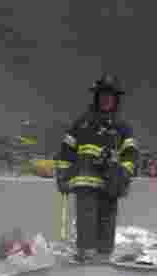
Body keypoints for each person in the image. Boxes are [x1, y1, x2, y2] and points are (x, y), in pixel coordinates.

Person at [55, 74, 137, 262]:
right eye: (103, 95)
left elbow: (131, 155)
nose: (107, 99)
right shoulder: (82, 124)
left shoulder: (122, 128)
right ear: (97, 97)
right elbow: (66, 152)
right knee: (86, 225)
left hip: (110, 185)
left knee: (107, 228)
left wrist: (122, 173)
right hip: (85, 183)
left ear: (116, 100)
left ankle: (103, 265)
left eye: (111, 96)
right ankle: (85, 264)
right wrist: (62, 176)